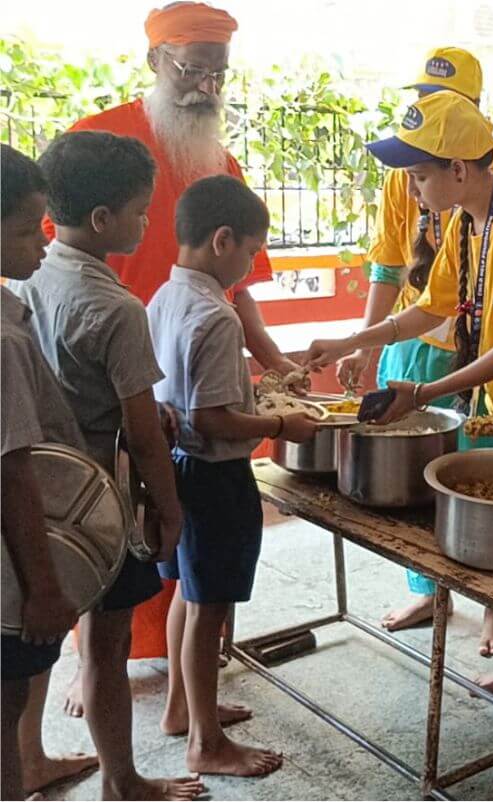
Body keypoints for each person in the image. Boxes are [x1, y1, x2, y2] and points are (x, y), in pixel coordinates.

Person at [305, 90, 493, 720]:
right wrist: (349, 339)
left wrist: (424, 394)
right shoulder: (470, 223)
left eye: (418, 176)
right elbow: (431, 307)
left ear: (459, 170)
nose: (413, 191)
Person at [48, 1, 302, 717]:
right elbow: (47, 259)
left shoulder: (222, 161)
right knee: (112, 525)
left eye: (218, 73)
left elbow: (243, 287)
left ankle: (186, 679)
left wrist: (277, 365)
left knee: (183, 536)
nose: (205, 87)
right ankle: (96, 664)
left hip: (190, 378)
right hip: (107, 370)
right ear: (155, 62)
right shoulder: (99, 140)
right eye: (192, 69)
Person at [11, 131, 204, 801]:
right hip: (96, 502)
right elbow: (143, 430)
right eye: (141, 210)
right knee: (106, 643)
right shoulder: (117, 308)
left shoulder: (30, 275)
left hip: (38, 494)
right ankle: (124, 780)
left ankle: (30, 756)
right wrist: (169, 508)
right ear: (103, 220)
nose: (148, 221)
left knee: (34, 639)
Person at [340, 46, 493, 658]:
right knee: (416, 474)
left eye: (442, 101)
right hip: (421, 345)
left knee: (487, 476)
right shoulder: (416, 177)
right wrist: (361, 343)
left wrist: (423, 385)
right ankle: (431, 588)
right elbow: (394, 265)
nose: (425, 109)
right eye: (421, 97)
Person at [146, 174, 318, 776]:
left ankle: (181, 711)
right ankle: (206, 742)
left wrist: (261, 391)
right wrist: (281, 425)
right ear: (222, 241)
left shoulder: (163, 298)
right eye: (250, 251)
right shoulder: (217, 317)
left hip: (174, 469)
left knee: (188, 597)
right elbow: (212, 419)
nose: (249, 264)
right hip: (214, 479)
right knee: (210, 608)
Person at [0, 145, 95, 801]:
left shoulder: (16, 305)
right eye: (26, 228)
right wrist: (43, 589)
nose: (43, 241)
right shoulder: (2, 341)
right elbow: (12, 470)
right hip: (11, 571)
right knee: (3, 714)